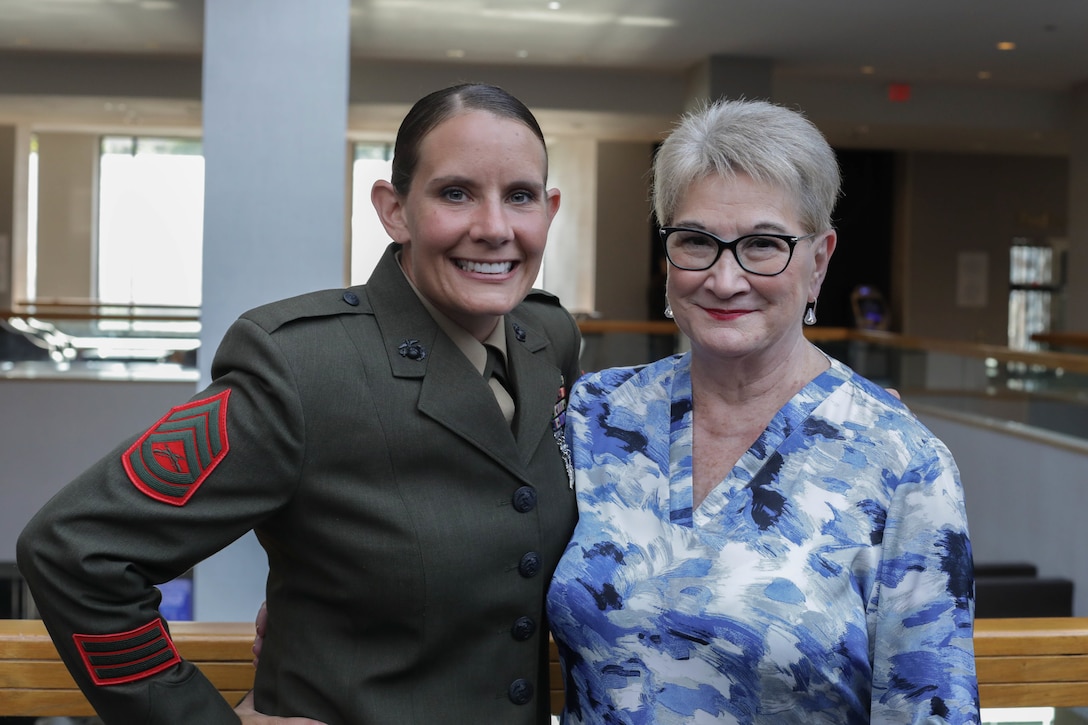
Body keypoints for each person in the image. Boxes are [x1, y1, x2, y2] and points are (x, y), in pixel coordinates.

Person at [16, 83, 582, 724]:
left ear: (549, 209)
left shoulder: (548, 342)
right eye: (455, 193)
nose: (494, 228)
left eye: (520, 197)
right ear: (394, 210)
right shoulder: (303, 368)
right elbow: (76, 551)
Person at [545, 99, 979, 723]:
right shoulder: (595, 416)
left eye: (764, 244)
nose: (725, 279)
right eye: (696, 241)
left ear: (820, 261)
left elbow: (928, 709)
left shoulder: (902, 464)